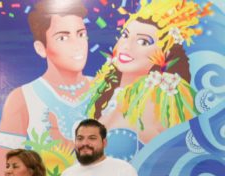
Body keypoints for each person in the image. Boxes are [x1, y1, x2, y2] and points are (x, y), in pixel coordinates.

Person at [86, 0, 210, 157]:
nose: (127, 46)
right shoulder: (106, 90)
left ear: (165, 54)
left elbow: (167, 156)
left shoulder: (154, 98)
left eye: (143, 42)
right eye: (125, 35)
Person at [0, 0, 90, 176]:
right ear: (41, 48)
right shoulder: (22, 98)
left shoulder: (108, 89)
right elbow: (3, 169)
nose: (77, 45)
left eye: (81, 34)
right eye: (63, 38)